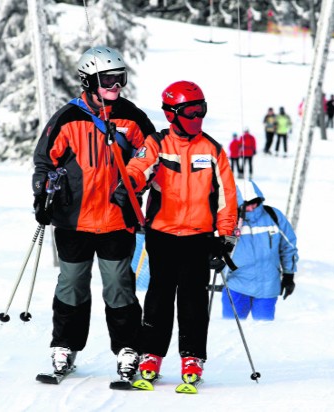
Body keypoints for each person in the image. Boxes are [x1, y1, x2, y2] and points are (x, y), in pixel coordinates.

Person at [31, 46, 155, 381]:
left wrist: (132, 178)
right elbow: (45, 162)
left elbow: (151, 152)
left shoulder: (131, 117)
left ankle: (128, 349)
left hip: (118, 218)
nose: (116, 86)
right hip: (74, 219)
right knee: (71, 283)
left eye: (120, 78)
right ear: (88, 82)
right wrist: (42, 195)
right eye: (108, 80)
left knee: (118, 284)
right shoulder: (67, 118)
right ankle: (64, 347)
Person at [118, 80, 238, 385]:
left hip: (199, 237)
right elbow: (139, 167)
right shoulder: (158, 143)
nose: (198, 117)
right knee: (158, 297)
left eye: (202, 110)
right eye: (191, 111)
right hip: (162, 234)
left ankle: (192, 357)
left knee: (193, 300)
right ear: (171, 114)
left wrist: (226, 236)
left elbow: (227, 196)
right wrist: (129, 184)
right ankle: (151, 355)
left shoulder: (211, 150)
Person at [222, 180, 299, 321]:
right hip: (237, 286)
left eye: (254, 203)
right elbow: (218, 247)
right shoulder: (229, 220)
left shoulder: (273, 216)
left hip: (267, 287)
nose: (251, 208)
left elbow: (288, 247)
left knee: (264, 334)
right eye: (246, 205)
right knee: (231, 330)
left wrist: (289, 276)